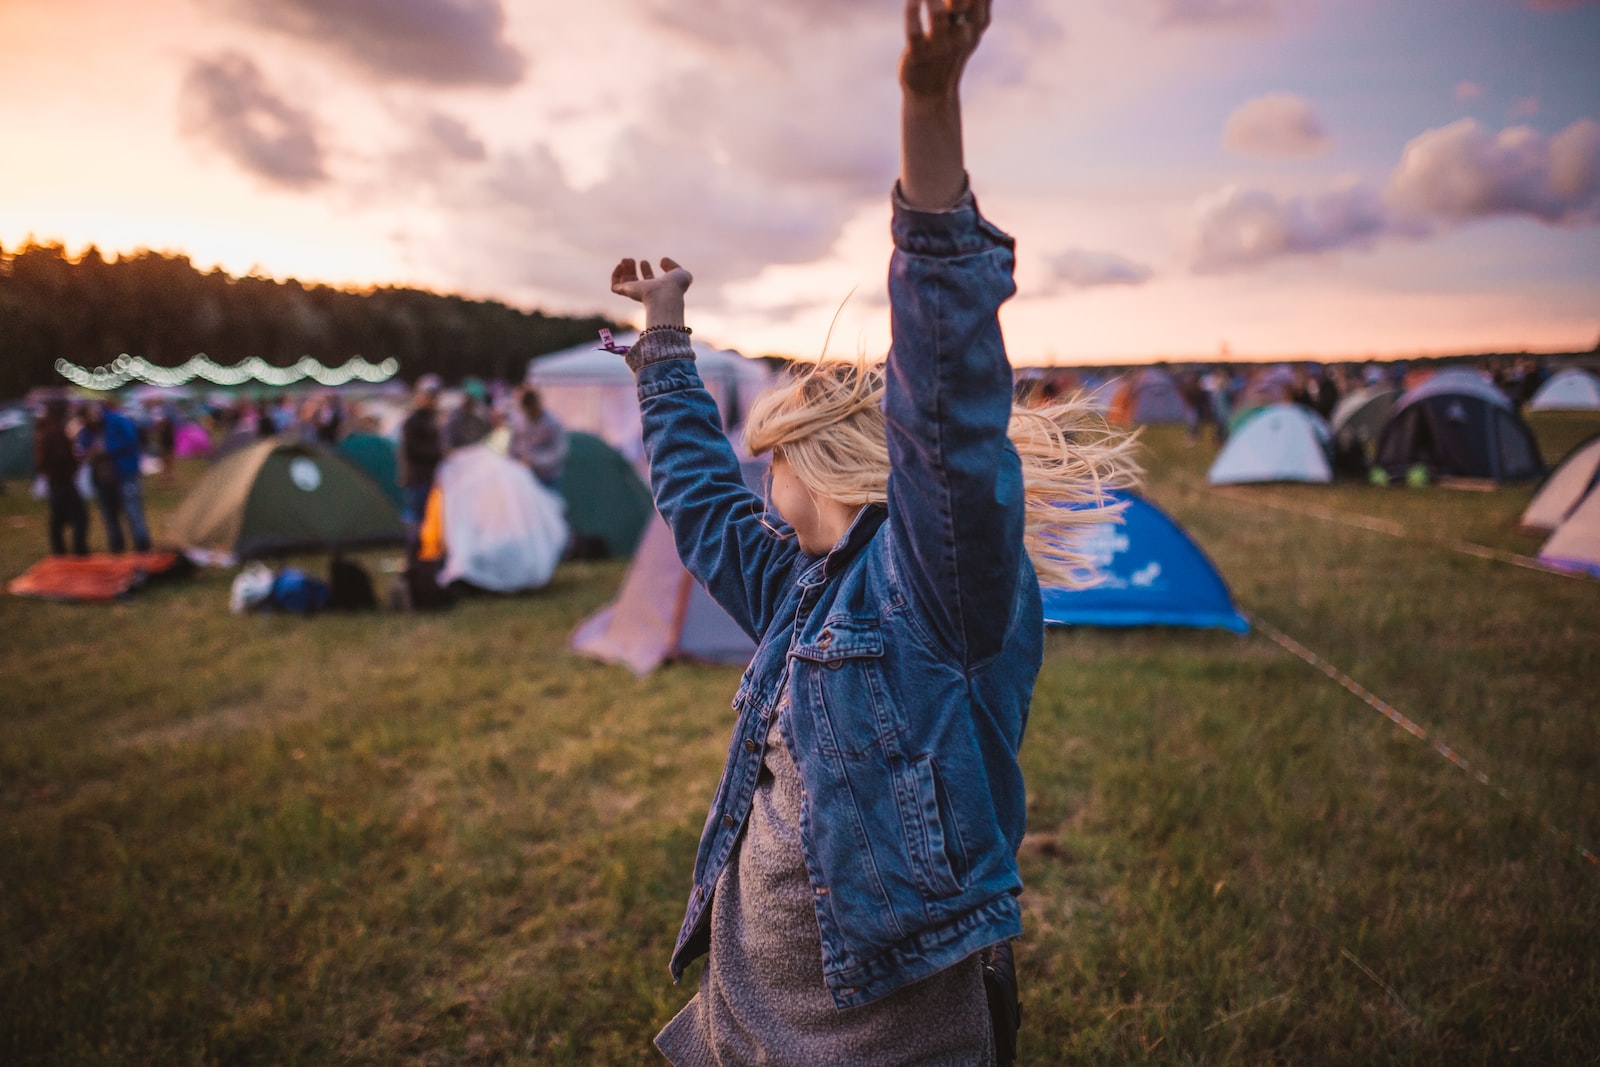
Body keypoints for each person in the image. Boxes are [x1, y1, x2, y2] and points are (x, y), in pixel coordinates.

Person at [607, 3, 1139, 1063]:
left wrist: (927, 109)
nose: (761, 477)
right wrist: (664, 345)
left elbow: (947, 398)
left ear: (829, 459)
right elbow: (699, 503)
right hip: (743, 1026)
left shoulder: (935, 589)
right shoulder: (802, 585)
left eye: (775, 454)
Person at [78, 397, 151, 553]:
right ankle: (117, 547)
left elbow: (131, 439)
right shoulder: (87, 430)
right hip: (102, 478)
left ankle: (142, 546)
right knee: (109, 516)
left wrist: (108, 449)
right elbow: (83, 447)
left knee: (133, 512)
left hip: (124, 473)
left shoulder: (117, 421)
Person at [33, 399, 88, 556]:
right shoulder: (54, 432)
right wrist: (74, 461)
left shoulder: (44, 431)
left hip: (56, 481)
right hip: (62, 481)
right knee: (79, 518)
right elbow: (60, 457)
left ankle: (60, 553)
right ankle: (78, 552)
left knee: (58, 520)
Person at [399, 375, 445, 553]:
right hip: (418, 477)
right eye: (429, 396)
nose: (433, 400)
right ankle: (414, 556)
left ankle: (425, 554)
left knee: (429, 518)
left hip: (431, 477)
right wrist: (439, 453)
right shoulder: (413, 422)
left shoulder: (432, 420)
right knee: (419, 519)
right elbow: (414, 451)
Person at [508, 386, 569, 488]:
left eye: (532, 407)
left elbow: (559, 452)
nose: (530, 411)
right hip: (525, 476)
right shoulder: (519, 422)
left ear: (538, 404)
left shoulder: (552, 423)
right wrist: (518, 461)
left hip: (547, 477)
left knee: (549, 502)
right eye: (527, 408)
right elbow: (513, 447)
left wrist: (536, 460)